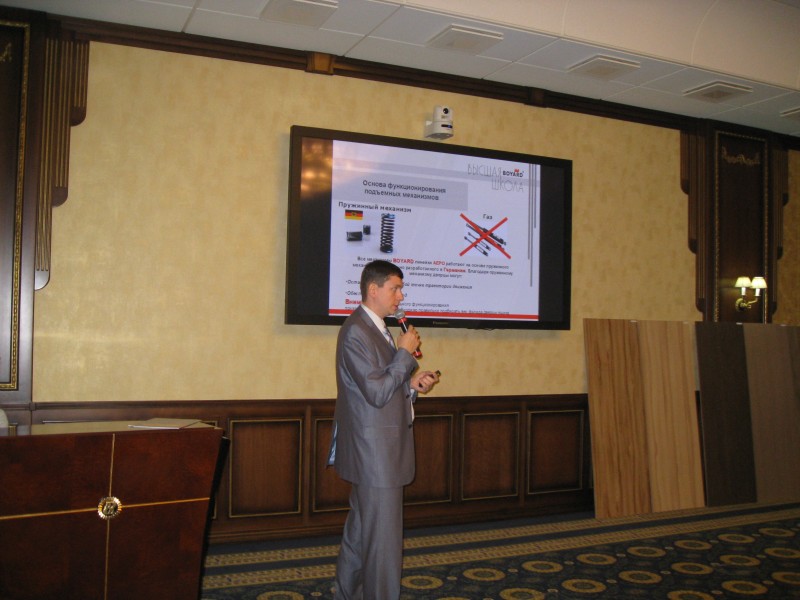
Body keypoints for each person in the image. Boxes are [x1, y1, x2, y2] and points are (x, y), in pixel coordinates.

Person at [329, 259, 440, 600]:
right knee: (383, 546)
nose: (401, 296)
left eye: (400, 289)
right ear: (373, 289)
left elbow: (380, 385)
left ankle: (347, 593)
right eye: (395, 288)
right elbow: (376, 392)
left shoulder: (376, 327)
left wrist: (411, 386)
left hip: (375, 451)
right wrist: (404, 354)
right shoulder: (356, 331)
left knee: (361, 534)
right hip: (375, 455)